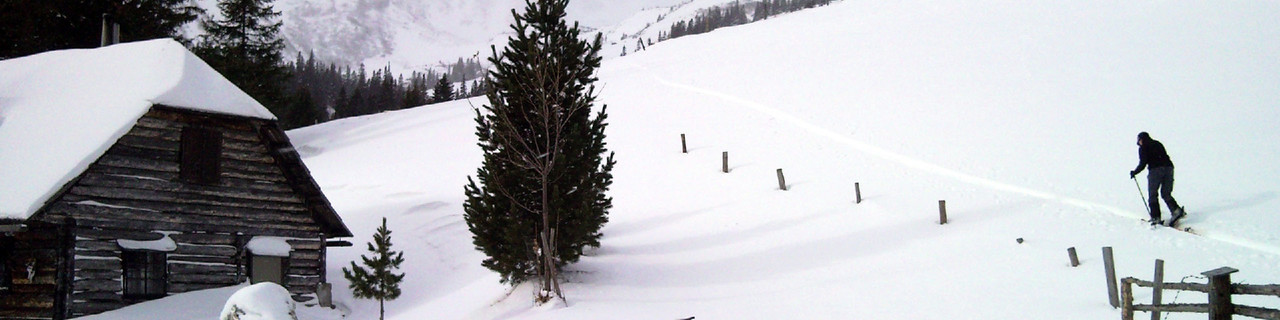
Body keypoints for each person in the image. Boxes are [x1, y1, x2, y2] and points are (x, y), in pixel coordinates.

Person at [1130, 132, 1185, 225]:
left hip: (1155, 170)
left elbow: (1143, 163)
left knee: (1153, 194)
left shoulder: (1143, 148)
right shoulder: (1158, 143)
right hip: (1169, 168)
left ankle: (1156, 217)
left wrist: (1135, 172)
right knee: (1166, 192)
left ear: (1141, 139)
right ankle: (1176, 210)